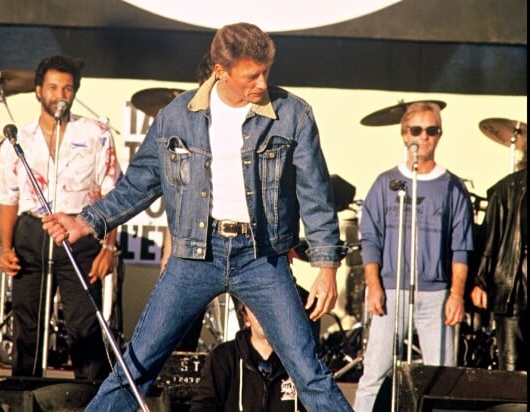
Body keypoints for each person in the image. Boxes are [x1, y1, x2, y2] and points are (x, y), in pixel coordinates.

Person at [43, 22, 353, 411]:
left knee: (309, 372)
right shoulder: (178, 116)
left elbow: (316, 195)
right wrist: (85, 221)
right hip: (194, 255)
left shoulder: (293, 115)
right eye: (251, 75)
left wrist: (326, 267)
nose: (262, 82)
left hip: (261, 258)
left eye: (266, 72)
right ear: (220, 71)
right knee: (135, 367)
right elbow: (141, 182)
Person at [0, 55, 122, 379]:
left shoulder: (97, 133)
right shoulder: (17, 139)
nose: (59, 95)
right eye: (52, 87)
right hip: (31, 235)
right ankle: (23, 395)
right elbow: (8, 199)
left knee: (84, 325)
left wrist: (108, 248)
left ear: (74, 93)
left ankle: (89, 399)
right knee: (27, 326)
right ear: (38, 91)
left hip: (79, 232)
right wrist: (7, 248)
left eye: (67, 88)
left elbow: (113, 194)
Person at [354, 101, 474, 412]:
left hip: (436, 294)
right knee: (374, 373)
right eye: (417, 130)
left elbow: (461, 245)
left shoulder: (452, 187)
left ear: (440, 134)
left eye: (432, 130)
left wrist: (456, 295)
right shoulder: (385, 183)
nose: (424, 137)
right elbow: (370, 238)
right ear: (403, 133)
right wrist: (374, 285)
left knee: (443, 377)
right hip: (390, 292)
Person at [189, 303, 305, 411]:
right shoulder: (224, 357)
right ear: (246, 317)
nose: (265, 314)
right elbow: (203, 405)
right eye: (256, 306)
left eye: (270, 304)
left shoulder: (301, 360)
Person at [470, 162, 527, 371]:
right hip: (515, 289)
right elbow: (490, 238)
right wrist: (480, 281)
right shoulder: (508, 189)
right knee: (512, 370)